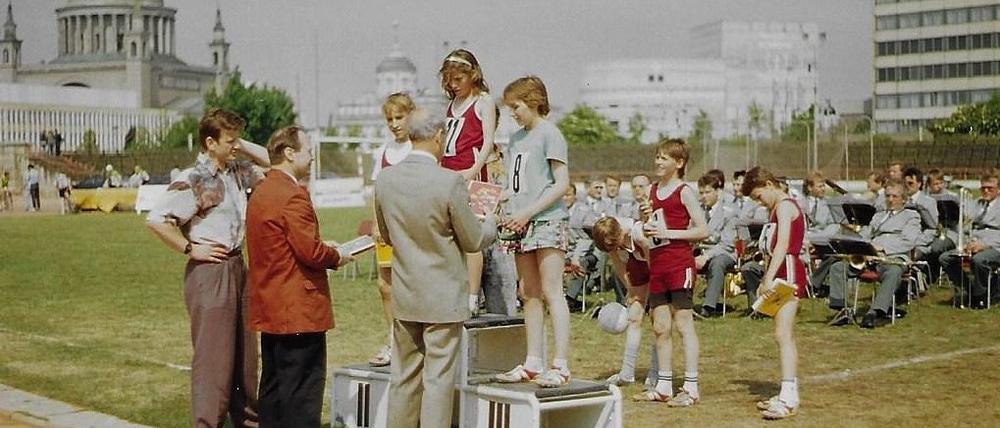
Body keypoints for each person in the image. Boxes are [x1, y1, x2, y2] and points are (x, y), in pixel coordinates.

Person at [146, 108, 270, 428]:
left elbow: (271, 161)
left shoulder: (237, 171)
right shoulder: (194, 179)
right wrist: (190, 248)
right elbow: (157, 219)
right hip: (210, 272)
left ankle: (247, 423)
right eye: (229, 140)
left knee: (245, 361)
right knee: (214, 361)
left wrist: (240, 144)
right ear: (210, 142)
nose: (235, 146)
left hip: (237, 267)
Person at [374, 108, 496, 428]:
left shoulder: (385, 179)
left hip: (405, 292)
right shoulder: (449, 182)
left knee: (404, 377)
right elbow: (472, 241)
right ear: (439, 136)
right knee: (438, 380)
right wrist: (491, 223)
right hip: (442, 296)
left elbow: (385, 234)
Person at [246, 126, 351, 427]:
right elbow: (311, 253)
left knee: (275, 390)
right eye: (308, 150)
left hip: (272, 307)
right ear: (289, 153)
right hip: (299, 311)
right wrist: (337, 255)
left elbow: (286, 245)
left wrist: (320, 247)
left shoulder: (262, 191)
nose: (312, 156)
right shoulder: (292, 195)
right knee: (302, 395)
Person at [494, 76, 573, 388]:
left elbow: (562, 183)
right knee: (528, 293)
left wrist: (530, 211)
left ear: (534, 102)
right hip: (519, 224)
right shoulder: (515, 140)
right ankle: (533, 361)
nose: (513, 113)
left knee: (553, 291)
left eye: (516, 106)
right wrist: (496, 199)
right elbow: (513, 185)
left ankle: (561, 363)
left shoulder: (550, 134)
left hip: (547, 221)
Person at [633, 138, 707, 406]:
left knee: (683, 324)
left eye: (664, 158)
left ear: (679, 163)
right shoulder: (651, 191)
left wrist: (669, 233)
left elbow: (702, 230)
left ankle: (690, 387)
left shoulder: (684, 191)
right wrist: (645, 222)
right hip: (659, 264)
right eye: (657, 156)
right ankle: (663, 385)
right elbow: (650, 229)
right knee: (660, 327)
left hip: (679, 264)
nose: (658, 162)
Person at [740, 166, 807, 420]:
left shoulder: (785, 206)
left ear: (769, 184)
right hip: (780, 271)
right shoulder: (776, 209)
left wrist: (768, 277)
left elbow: (783, 245)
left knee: (783, 334)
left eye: (759, 196)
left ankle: (789, 397)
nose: (759, 202)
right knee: (781, 334)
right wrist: (767, 275)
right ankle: (787, 392)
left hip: (788, 273)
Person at [439, 48, 498, 314]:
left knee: (473, 234)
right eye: (449, 81)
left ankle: (473, 296)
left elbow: (487, 142)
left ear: (472, 75)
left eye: (458, 80)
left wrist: (474, 169)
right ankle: (456, 287)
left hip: (473, 172)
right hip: (450, 170)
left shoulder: (483, 102)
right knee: (450, 231)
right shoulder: (451, 105)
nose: (454, 85)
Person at [827, 179, 920, 328]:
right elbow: (866, 234)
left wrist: (881, 248)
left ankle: (874, 312)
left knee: (893, 272)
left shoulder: (911, 216)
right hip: (870, 257)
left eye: (894, 196)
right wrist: (862, 246)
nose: (890, 199)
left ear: (903, 199)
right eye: (888, 196)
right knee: (838, 267)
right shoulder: (878, 216)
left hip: (892, 257)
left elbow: (908, 241)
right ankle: (843, 309)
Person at [367, 93, 416, 368]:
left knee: (411, 284)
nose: (395, 124)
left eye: (399, 117)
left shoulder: (418, 148)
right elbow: (377, 190)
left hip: (410, 226)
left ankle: (411, 341)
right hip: (387, 227)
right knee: (385, 285)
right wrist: (376, 221)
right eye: (390, 119)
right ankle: (392, 337)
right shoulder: (384, 151)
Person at [592, 215, 655, 387]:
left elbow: (654, 260)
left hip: (655, 260)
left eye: (617, 244)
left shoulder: (638, 233)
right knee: (635, 315)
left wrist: (656, 288)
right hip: (636, 262)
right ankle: (627, 372)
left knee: (657, 317)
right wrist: (631, 289)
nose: (616, 248)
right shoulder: (611, 238)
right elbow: (618, 264)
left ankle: (657, 372)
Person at [940, 173, 1000, 309]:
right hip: (974, 242)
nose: (985, 191)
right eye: (983, 188)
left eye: (990, 188)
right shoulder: (976, 203)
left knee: (979, 260)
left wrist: (985, 245)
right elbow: (966, 226)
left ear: (999, 189)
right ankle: (971, 290)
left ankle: (981, 296)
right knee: (945, 258)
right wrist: (965, 243)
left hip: (995, 245)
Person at [695, 173, 738, 318]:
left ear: (717, 192)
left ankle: (709, 307)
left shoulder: (729, 213)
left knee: (717, 263)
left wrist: (706, 256)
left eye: (708, 192)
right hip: (700, 251)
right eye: (701, 193)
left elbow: (727, 244)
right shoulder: (697, 211)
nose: (704, 196)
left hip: (723, 252)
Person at [563, 184, 598, 312]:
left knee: (581, 262)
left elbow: (587, 239)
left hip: (586, 253)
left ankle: (570, 299)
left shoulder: (585, 211)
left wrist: (576, 257)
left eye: (568, 195)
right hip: (564, 252)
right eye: (562, 195)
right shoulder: (557, 212)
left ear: (574, 196)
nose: (564, 198)